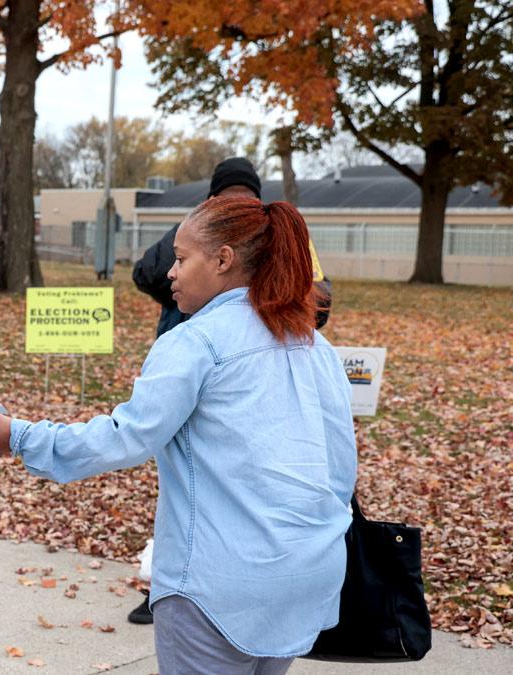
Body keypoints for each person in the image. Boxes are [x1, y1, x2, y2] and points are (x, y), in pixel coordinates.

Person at [0, 196, 355, 674]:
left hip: (218, 583)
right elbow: (340, 469)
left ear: (223, 260)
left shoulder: (195, 343)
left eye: (182, 258)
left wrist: (21, 437)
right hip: (308, 575)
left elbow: (125, 437)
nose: (170, 271)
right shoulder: (317, 346)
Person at [126, 157, 333, 626]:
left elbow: (147, 272)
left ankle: (170, 587)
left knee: (189, 488)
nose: (176, 270)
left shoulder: (265, 237)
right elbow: (320, 304)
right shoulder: (206, 233)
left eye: (184, 261)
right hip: (248, 384)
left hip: (221, 374)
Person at [133, 157, 333, 339]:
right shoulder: (193, 234)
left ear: (257, 204)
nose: (236, 205)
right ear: (210, 202)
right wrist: (193, 233)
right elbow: (148, 274)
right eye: (227, 199)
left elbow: (318, 305)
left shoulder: (278, 239)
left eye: (245, 199)